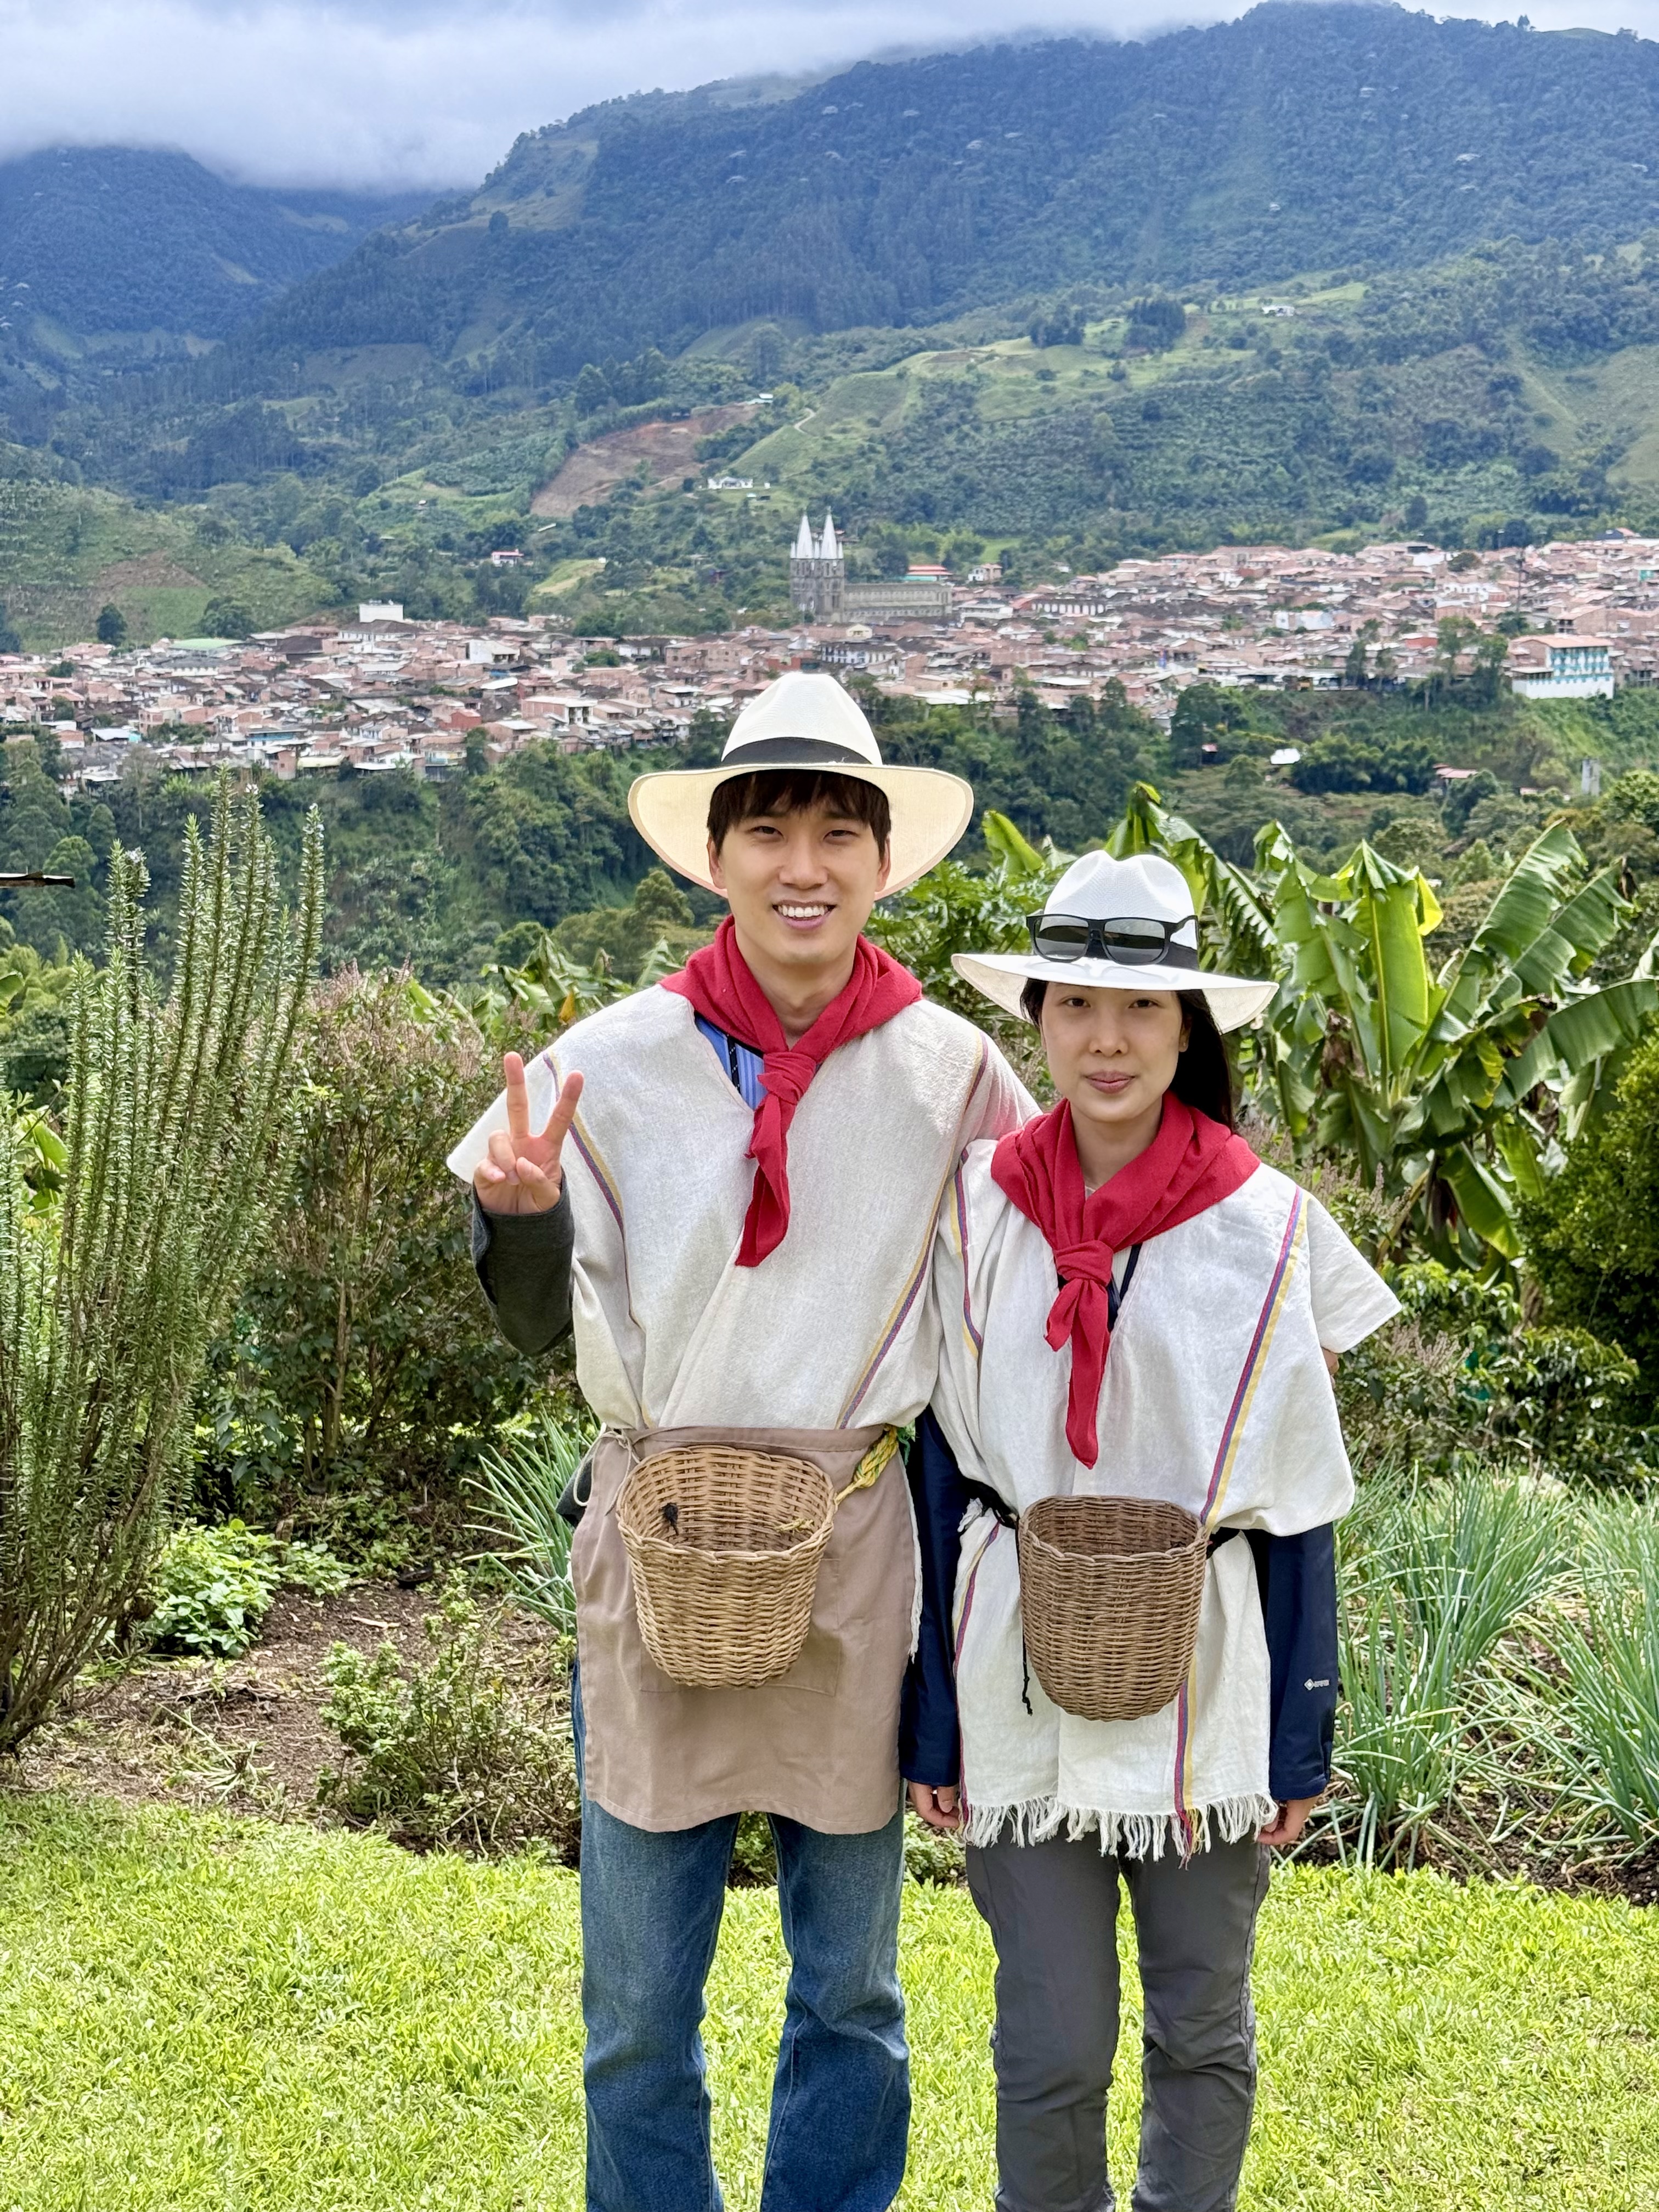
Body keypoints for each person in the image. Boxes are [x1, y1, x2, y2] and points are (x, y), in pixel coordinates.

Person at [446, 670, 1030, 2212]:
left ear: (883, 862)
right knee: (639, 2002)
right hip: (659, 1541)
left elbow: (1014, 1315)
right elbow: (532, 1323)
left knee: (852, 1990)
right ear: (716, 859)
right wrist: (518, 1218)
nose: (804, 864)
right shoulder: (613, 1061)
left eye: (841, 831)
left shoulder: (954, 1076)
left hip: (852, 1550)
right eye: (766, 829)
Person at [905, 849, 1399, 2212]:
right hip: (1015, 1654)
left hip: (1209, 1661)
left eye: (1141, 1009)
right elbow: (942, 1478)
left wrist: (1302, 1736)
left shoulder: (1268, 1231)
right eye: (1074, 1005)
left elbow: (1299, 1500)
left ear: (1190, 1028)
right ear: (1040, 1020)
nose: (1106, 1039)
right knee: (1050, 2041)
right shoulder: (976, 1211)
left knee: (1203, 2023)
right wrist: (933, 1723)